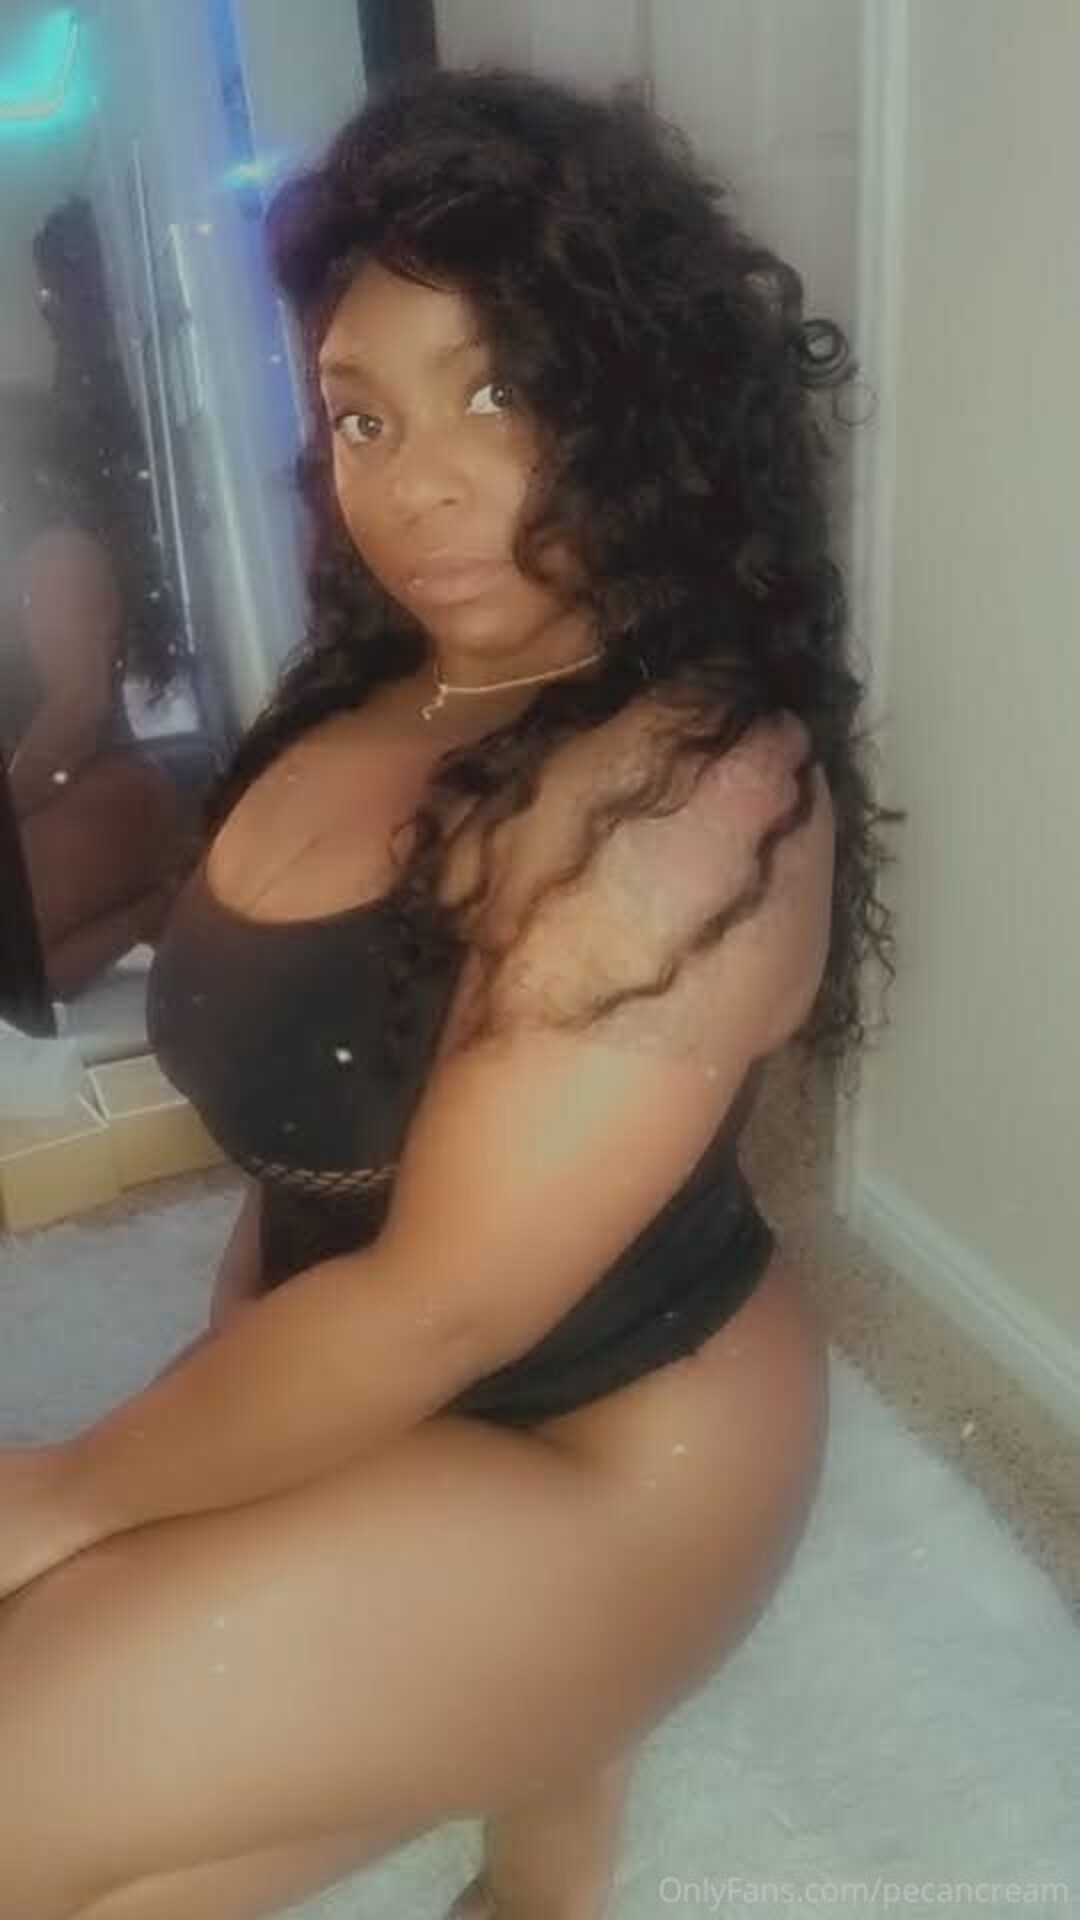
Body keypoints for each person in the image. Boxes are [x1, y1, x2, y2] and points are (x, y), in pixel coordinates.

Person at [0, 66, 905, 1919]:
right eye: (362, 414)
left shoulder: (694, 796)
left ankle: (566, 1726)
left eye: (498, 390)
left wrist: (75, 1494)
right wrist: (206, 1417)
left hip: (614, 1454)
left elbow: (435, 1306)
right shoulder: (377, 697)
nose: (416, 482)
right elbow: (315, 1152)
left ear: (639, 395)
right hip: (372, 1374)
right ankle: (534, 1756)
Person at [0, 384, 194, 1001]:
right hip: (68, 793)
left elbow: (78, 708)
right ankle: (155, 908)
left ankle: (164, 897)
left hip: (106, 790)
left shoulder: (56, 555)